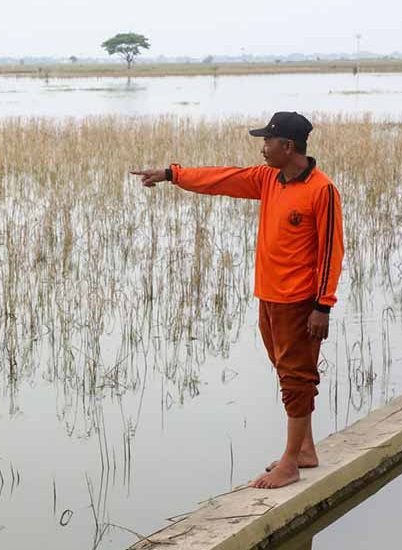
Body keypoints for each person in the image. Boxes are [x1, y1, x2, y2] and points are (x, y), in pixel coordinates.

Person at [131, 111, 343, 489]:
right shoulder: (268, 180)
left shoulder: (321, 190)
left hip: (299, 302)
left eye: (267, 142)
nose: (263, 149)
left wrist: (322, 306)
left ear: (287, 146)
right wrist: (170, 174)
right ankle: (306, 448)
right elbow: (222, 178)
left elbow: (331, 252)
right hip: (269, 297)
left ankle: (291, 462)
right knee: (288, 372)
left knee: (296, 378)